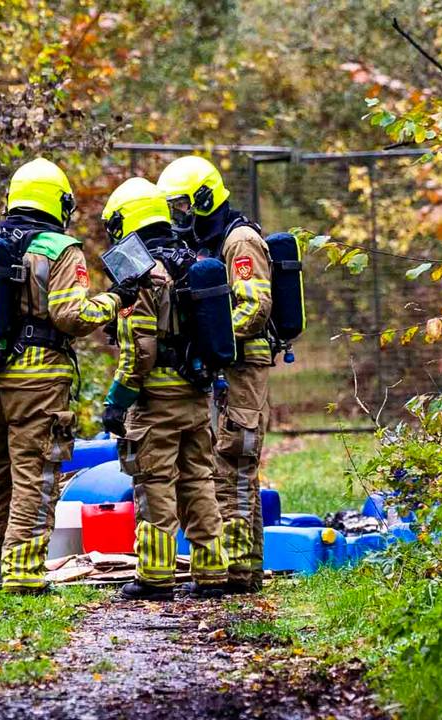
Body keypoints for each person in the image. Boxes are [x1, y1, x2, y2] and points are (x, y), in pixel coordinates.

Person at [0, 158, 140, 594]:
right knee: (34, 476)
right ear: (60, 203)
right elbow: (70, 315)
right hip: (39, 382)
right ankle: (22, 575)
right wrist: (115, 300)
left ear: (14, 197)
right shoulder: (59, 249)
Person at [98, 177, 228, 601]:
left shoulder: (141, 272)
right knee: (198, 481)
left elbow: (140, 348)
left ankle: (155, 577)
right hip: (196, 394)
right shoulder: (192, 258)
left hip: (156, 399)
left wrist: (119, 400)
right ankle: (210, 572)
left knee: (154, 483)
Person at [158, 155, 273, 595]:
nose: (178, 216)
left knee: (235, 463)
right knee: (218, 464)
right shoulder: (205, 243)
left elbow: (254, 308)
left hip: (245, 365)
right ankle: (234, 567)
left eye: (184, 206)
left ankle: (240, 574)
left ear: (205, 198)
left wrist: (209, 339)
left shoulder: (239, 240)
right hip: (223, 365)